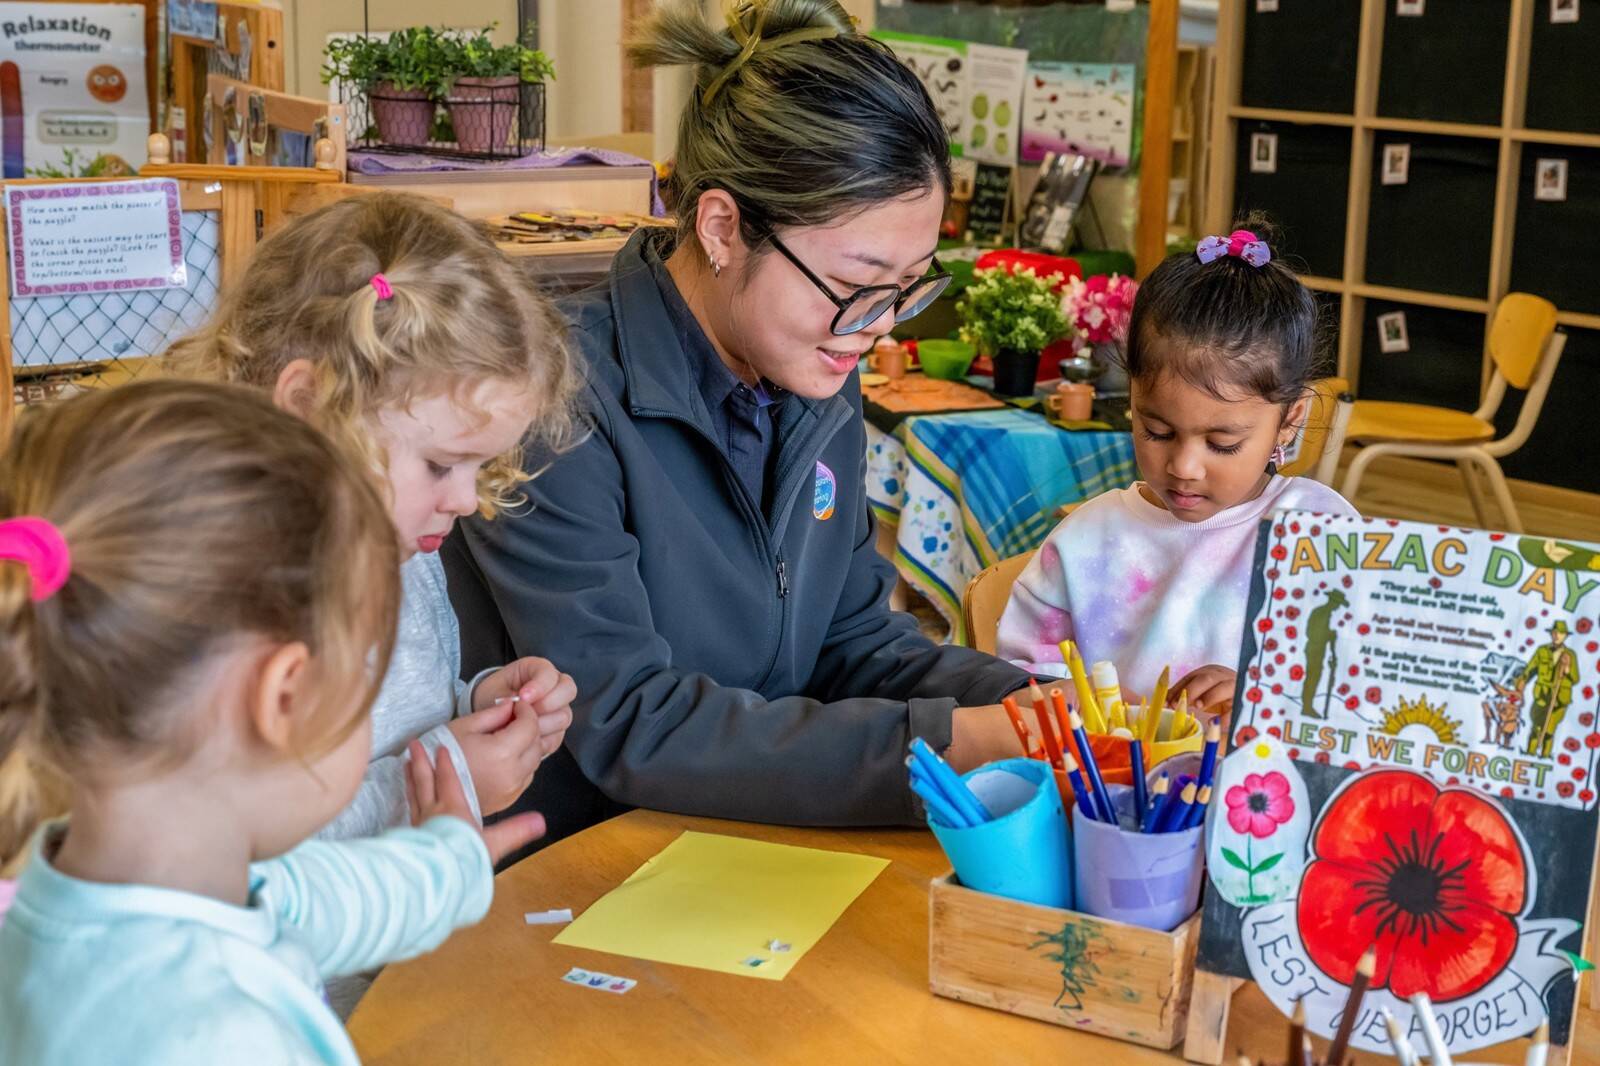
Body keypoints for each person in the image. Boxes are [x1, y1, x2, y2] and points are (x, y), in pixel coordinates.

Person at [444, 0, 1034, 843]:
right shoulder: (553, 394)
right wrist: (955, 741)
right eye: (859, 283)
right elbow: (630, 722)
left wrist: (1026, 706)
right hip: (575, 867)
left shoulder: (815, 375)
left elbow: (852, 642)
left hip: (747, 845)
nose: (882, 325)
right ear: (722, 226)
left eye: (908, 286)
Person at [0, 381, 544, 1065]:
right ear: (283, 697)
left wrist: (447, 860)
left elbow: (332, 899)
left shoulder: (121, 886)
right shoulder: (214, 1035)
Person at [167, 191, 582, 844]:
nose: (467, 501)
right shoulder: (227, 597)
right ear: (307, 404)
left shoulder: (399, 546)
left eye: (481, 467)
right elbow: (238, 851)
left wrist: (476, 705)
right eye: (442, 464)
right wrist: (449, 779)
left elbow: (401, 712)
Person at [996, 222, 1359, 715]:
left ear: (1289, 421)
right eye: (1158, 432)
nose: (1184, 467)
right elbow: (1022, 680)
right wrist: (1088, 707)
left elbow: (1355, 688)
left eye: (1223, 443)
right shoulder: (1087, 541)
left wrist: (1264, 697)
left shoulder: (1318, 532)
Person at [1518, 620, 1579, 759]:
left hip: (1559, 699)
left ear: (1565, 636)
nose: (1557, 636)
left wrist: (1567, 668)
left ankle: (1545, 755)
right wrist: (1523, 681)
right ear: (1551, 634)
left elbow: (1575, 679)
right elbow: (1531, 668)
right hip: (1542, 696)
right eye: (1555, 633)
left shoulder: (1570, 655)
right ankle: (1530, 753)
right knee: (1537, 726)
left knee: (1549, 729)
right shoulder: (1542, 651)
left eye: (1561, 634)